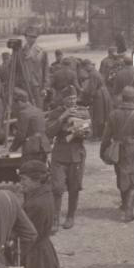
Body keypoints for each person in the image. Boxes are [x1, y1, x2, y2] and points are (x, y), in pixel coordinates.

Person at [99, 86, 134, 222]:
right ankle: (129, 210)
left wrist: (103, 150)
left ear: (122, 98)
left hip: (118, 148)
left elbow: (106, 136)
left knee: (121, 175)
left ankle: (124, 204)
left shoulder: (113, 114)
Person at [18, 160, 63, 268]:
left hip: (34, 255)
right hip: (43, 250)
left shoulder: (36, 204)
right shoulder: (44, 193)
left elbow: (27, 235)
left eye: (24, 179)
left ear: (36, 180)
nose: (21, 183)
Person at [46, 86, 91, 232]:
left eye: (74, 98)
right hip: (60, 154)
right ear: (63, 99)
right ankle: (55, 218)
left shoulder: (83, 111)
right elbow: (49, 132)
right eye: (69, 98)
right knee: (57, 188)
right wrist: (62, 117)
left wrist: (83, 132)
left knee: (74, 187)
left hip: (77, 154)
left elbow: (90, 131)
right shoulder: (56, 113)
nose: (72, 101)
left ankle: (70, 216)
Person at [10, 88, 52, 163]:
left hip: (31, 148)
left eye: (15, 104)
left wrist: (13, 148)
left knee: (29, 168)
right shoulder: (38, 110)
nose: (16, 106)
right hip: (44, 146)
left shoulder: (23, 113)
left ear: (19, 102)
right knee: (40, 168)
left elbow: (21, 134)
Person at [79, 59, 112, 139]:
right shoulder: (95, 72)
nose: (84, 70)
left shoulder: (92, 74)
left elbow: (92, 88)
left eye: (84, 68)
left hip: (99, 95)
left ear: (87, 66)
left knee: (98, 115)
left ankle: (98, 135)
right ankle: (101, 134)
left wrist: (84, 93)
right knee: (103, 115)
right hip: (103, 93)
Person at [19, 27, 51, 110]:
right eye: (30, 36)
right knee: (25, 109)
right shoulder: (20, 51)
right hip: (24, 85)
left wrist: (45, 87)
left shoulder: (42, 52)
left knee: (38, 108)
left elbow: (46, 71)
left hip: (37, 85)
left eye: (34, 37)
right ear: (25, 37)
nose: (32, 39)